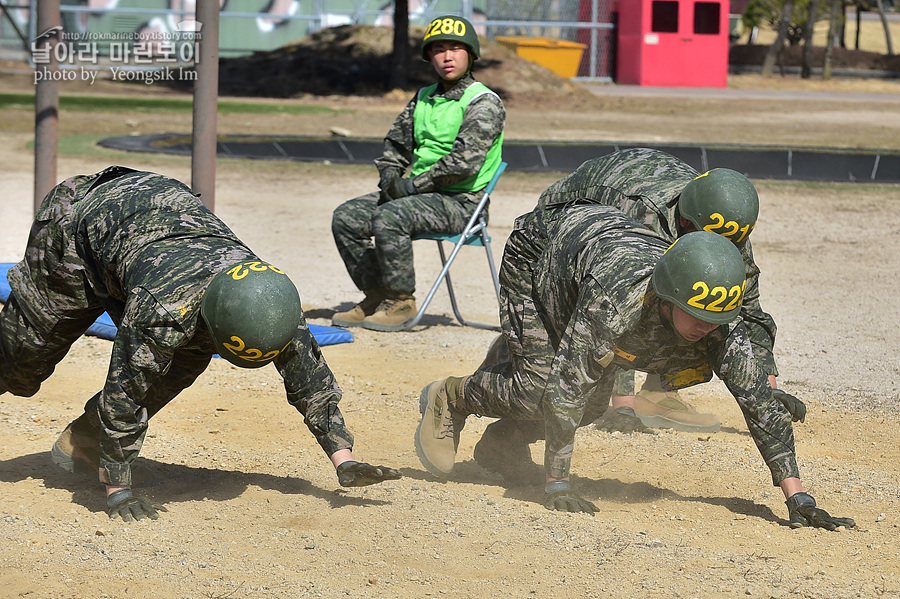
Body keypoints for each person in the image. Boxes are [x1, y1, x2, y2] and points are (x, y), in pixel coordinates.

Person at [414, 205, 854, 530]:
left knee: (593, 405)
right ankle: (453, 395)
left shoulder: (718, 321)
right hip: (541, 251)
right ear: (667, 299)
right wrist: (557, 483)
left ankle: (502, 444)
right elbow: (565, 391)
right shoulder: (617, 304)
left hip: (593, 264)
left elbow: (761, 407)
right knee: (542, 385)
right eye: (697, 318)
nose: (707, 329)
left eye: (715, 321)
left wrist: (797, 496)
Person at [0, 166, 401, 522]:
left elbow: (310, 380)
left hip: (150, 223)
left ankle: (86, 443)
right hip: (77, 221)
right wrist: (118, 489)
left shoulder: (269, 298)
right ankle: (96, 446)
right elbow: (127, 389)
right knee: (21, 362)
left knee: (187, 358)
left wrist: (343, 459)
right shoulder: (163, 308)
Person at [478, 149, 802, 457]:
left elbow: (749, 311)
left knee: (686, 310)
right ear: (686, 224)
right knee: (563, 344)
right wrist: (623, 406)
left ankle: (658, 396)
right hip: (566, 216)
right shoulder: (643, 217)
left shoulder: (725, 233)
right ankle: (509, 363)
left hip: (636, 211)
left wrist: (768, 388)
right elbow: (618, 307)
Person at [331, 14, 505, 332]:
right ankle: (377, 293)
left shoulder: (483, 102)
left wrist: (411, 186)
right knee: (346, 217)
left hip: (462, 203)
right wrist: (389, 180)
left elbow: (462, 164)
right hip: (418, 196)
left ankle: (400, 301)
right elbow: (396, 146)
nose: (447, 57)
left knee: (392, 216)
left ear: (471, 55)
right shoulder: (423, 98)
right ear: (430, 57)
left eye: (456, 48)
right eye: (439, 49)